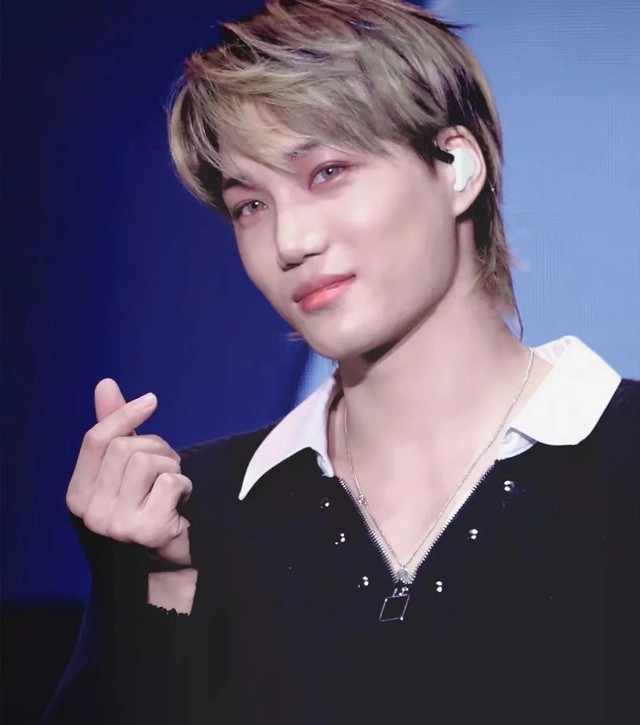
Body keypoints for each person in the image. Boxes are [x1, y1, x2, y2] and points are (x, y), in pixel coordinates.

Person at [42, 1, 639, 723]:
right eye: (250, 205)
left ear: (457, 167)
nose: (289, 241)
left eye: (327, 171)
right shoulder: (192, 512)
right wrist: (156, 586)